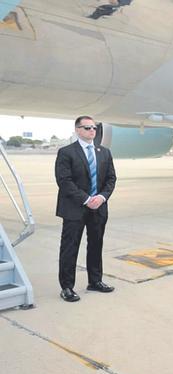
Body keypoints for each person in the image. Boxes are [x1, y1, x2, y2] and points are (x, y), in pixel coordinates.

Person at [55, 116, 116, 302]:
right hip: (75, 208)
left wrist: (101, 197)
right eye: (87, 128)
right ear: (78, 130)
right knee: (69, 247)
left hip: (98, 208)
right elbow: (64, 181)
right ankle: (66, 287)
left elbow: (111, 179)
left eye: (94, 128)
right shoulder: (66, 152)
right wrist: (86, 199)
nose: (92, 131)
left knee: (96, 245)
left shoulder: (104, 152)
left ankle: (95, 281)